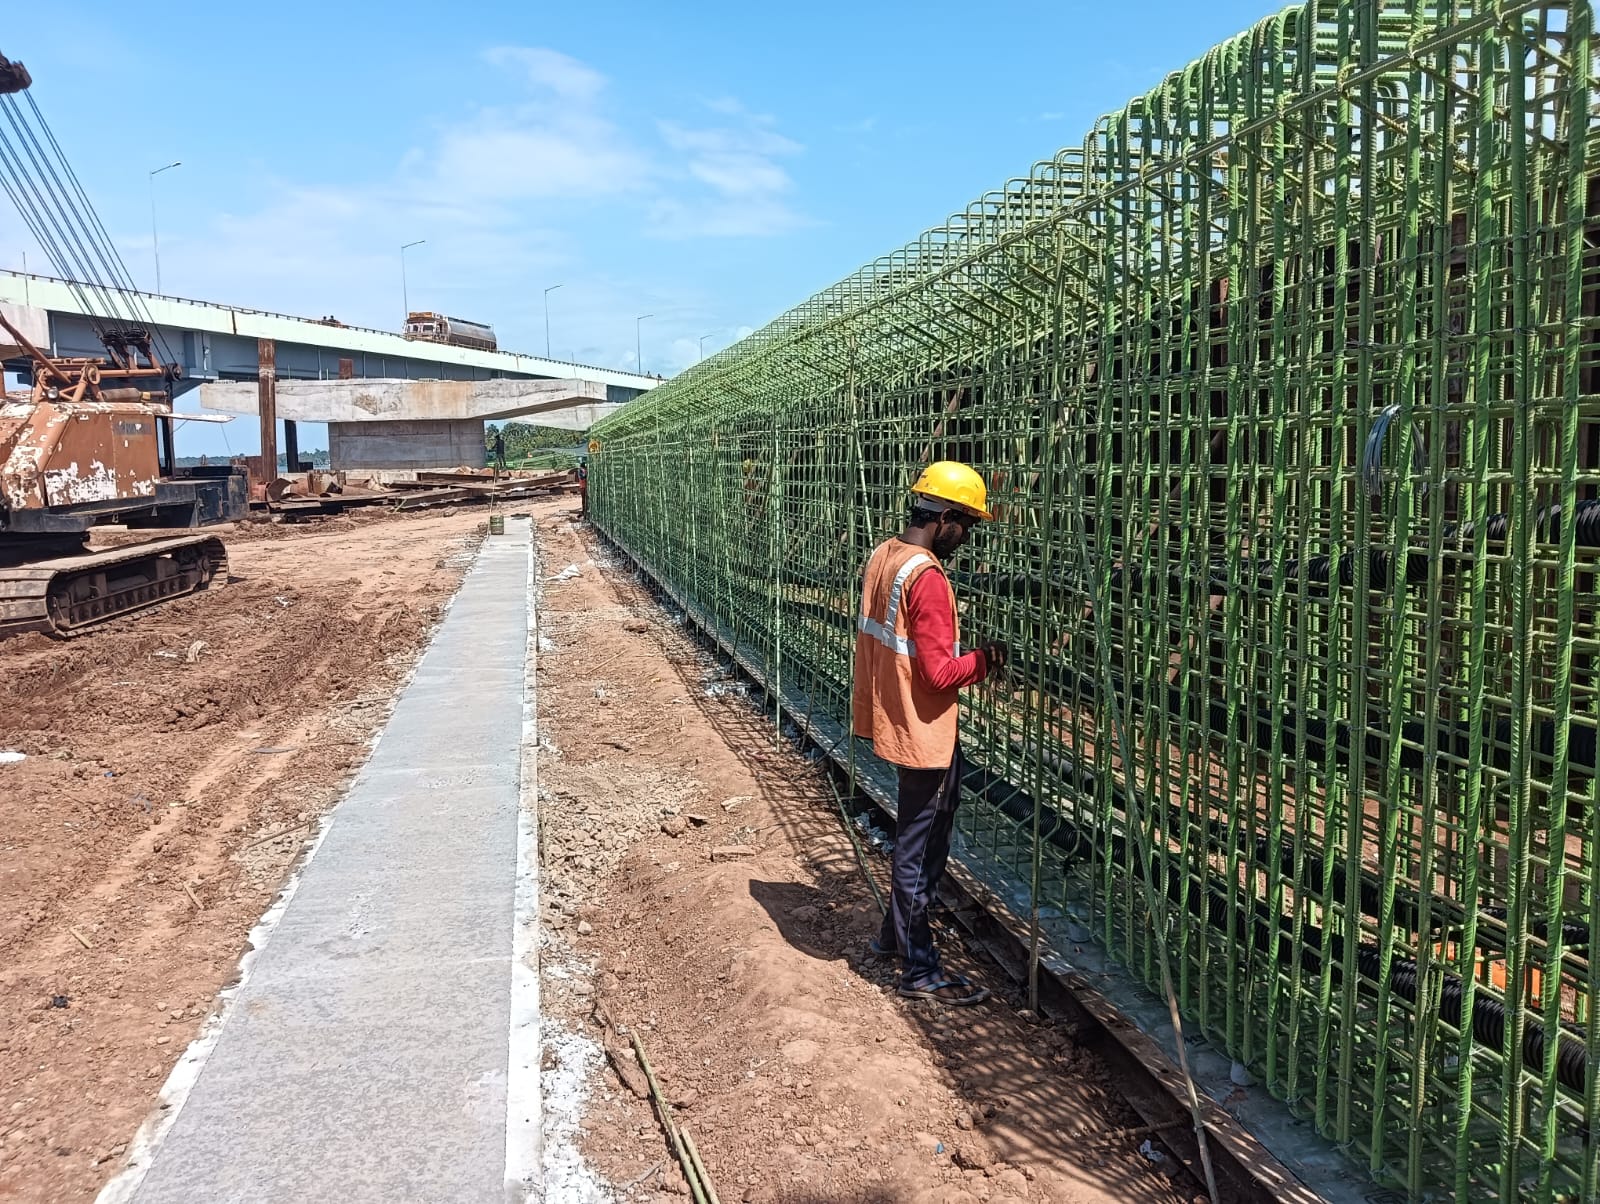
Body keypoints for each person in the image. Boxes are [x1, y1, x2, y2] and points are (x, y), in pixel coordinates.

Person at [852, 460, 1008, 1006]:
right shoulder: (928, 579)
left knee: (918, 838)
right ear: (944, 518)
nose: (966, 537)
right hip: (924, 730)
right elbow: (940, 674)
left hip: (893, 714)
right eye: (965, 525)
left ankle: (891, 938)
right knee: (919, 849)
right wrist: (986, 659)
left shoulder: (885, 555)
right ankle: (919, 971)